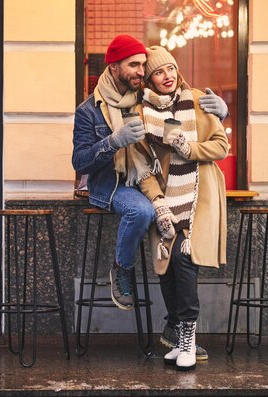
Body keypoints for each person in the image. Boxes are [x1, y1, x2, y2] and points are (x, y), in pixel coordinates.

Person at [71, 35, 228, 359]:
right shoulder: (90, 109)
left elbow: (181, 107)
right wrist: (113, 141)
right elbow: (79, 161)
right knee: (145, 217)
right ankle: (122, 270)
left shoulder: (144, 99)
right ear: (114, 67)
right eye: (134, 65)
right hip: (115, 184)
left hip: (162, 185)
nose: (141, 71)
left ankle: (177, 333)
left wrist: (220, 113)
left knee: (179, 260)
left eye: (144, 65)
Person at [132, 46, 229, 371]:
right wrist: (158, 204)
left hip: (197, 200)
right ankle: (175, 337)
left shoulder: (198, 100)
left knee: (186, 263)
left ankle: (188, 338)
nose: (167, 76)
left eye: (171, 69)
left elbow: (221, 146)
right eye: (159, 72)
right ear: (149, 79)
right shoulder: (143, 115)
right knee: (166, 271)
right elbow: (142, 167)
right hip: (163, 202)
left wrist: (190, 147)